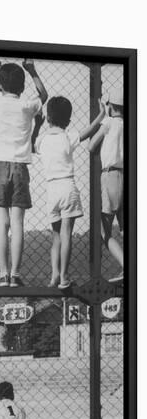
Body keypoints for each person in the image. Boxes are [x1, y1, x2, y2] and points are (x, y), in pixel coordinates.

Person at [0, 59, 48, 287]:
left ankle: (3, 275)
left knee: (0, 223)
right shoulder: (26, 105)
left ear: (0, 86)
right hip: (20, 166)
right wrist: (33, 70)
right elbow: (43, 95)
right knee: (17, 223)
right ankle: (15, 274)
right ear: (22, 87)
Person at [33, 96, 105, 288]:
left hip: (51, 190)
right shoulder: (68, 136)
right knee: (67, 234)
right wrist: (102, 114)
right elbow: (88, 131)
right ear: (68, 120)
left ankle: (54, 275)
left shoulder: (41, 140)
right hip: (68, 187)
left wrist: (38, 124)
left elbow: (33, 143)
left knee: (56, 236)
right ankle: (64, 277)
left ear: (48, 117)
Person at [89, 87, 124, 283]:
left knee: (104, 230)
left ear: (110, 106)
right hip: (127, 176)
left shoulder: (109, 122)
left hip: (109, 176)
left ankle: (127, 266)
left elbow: (91, 145)